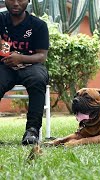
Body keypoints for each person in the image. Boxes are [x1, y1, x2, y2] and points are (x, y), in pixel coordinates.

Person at [0, 0, 49, 145]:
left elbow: (42, 56)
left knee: (38, 78)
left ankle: (32, 131)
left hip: (31, 64)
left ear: (28, 1)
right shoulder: (1, 20)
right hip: (4, 66)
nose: (16, 3)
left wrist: (20, 58)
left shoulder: (38, 25)